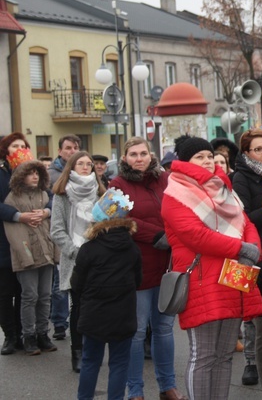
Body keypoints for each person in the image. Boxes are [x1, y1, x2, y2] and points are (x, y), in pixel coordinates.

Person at [161, 135, 262, 400]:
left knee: (224, 354)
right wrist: (241, 249)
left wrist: (253, 248)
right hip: (201, 279)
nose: (207, 161)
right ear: (184, 161)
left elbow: (246, 223)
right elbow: (194, 235)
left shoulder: (222, 187)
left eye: (209, 156)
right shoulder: (175, 193)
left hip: (233, 275)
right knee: (204, 355)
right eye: (199, 157)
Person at [108, 137, 185, 400]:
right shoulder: (117, 184)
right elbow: (118, 218)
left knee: (164, 329)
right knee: (137, 332)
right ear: (125, 158)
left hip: (167, 265)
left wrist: (174, 234)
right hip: (136, 266)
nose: (139, 158)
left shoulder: (165, 180)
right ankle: (136, 392)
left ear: (151, 156)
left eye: (143, 153)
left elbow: (179, 208)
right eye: (133, 154)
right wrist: (155, 234)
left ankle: (168, 387)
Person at [72, 189, 142, 400]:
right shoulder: (132, 248)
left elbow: (77, 283)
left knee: (90, 361)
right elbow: (137, 280)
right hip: (123, 315)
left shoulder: (89, 249)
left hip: (94, 315)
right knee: (120, 363)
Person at [232, 128, 262, 394]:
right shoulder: (241, 177)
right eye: (258, 149)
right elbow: (243, 218)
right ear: (247, 153)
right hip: (259, 260)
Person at [50, 151, 106, 372]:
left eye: (89, 164)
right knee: (80, 307)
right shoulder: (62, 194)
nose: (85, 167)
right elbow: (56, 230)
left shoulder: (100, 192)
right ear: (71, 167)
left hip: (99, 258)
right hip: (75, 259)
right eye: (80, 164)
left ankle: (94, 349)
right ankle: (78, 352)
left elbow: (106, 224)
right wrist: (75, 252)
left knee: (98, 306)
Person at [3, 159, 57, 356]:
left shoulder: (44, 194)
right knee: (29, 296)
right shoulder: (13, 198)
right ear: (20, 176)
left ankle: (43, 333)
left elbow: (53, 222)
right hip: (26, 256)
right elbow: (13, 232)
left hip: (46, 252)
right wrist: (25, 256)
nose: (35, 176)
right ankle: (29, 336)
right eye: (30, 173)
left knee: (45, 296)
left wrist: (46, 213)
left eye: (37, 173)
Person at [0, 133, 44, 356]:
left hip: (32, 239)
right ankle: (10, 335)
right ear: (6, 151)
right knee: (7, 292)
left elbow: (47, 195)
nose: (19, 149)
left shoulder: (32, 173)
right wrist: (19, 216)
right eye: (14, 146)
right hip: (5, 241)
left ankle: (30, 333)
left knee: (27, 291)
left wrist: (44, 211)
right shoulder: (1, 174)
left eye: (23, 146)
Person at [47, 135, 81, 341]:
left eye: (76, 147)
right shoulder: (51, 175)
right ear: (60, 151)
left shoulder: (87, 175)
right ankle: (60, 322)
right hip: (63, 238)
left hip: (84, 242)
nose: (72, 151)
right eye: (68, 148)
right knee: (61, 283)